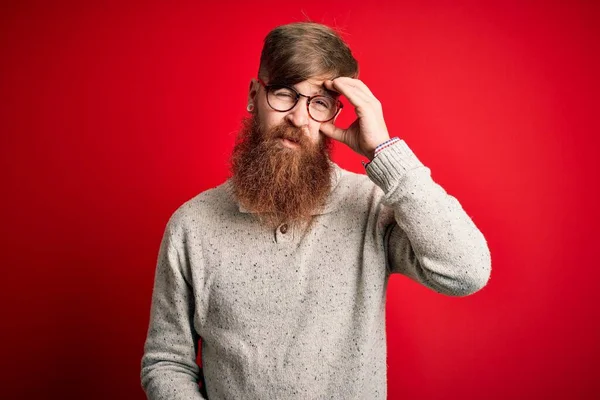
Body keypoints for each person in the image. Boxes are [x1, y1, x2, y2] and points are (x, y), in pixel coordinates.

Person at [140, 21, 491, 400]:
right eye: (285, 94)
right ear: (254, 94)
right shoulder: (192, 225)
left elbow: (466, 271)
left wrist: (386, 152)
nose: (299, 118)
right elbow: (167, 362)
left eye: (319, 103)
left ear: (336, 113)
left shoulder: (371, 206)